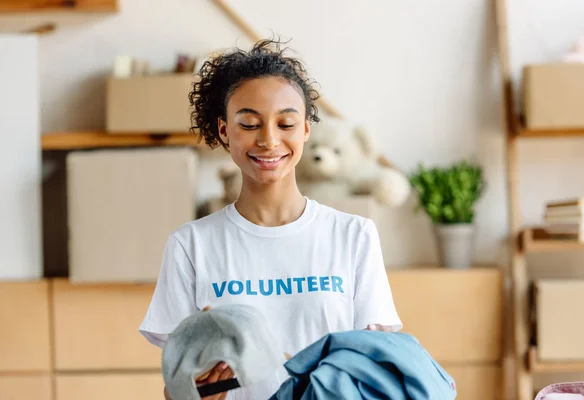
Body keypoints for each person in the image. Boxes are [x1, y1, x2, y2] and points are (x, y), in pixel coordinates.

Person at [139, 38, 402, 400]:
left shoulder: (353, 235)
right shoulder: (191, 246)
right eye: (248, 124)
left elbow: (376, 373)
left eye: (286, 123)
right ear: (223, 131)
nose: (268, 140)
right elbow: (177, 388)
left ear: (306, 129)